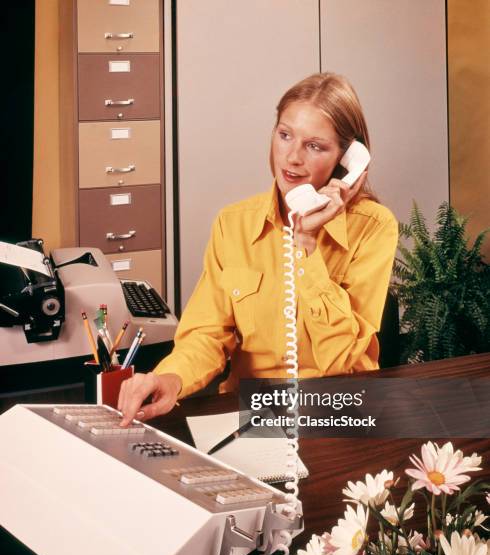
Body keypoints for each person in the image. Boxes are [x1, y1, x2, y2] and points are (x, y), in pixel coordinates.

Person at [118, 72, 398, 426]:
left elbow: (340, 356)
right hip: (252, 414)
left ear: (347, 160)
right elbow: (206, 334)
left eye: (315, 146)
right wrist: (169, 378)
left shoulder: (373, 227)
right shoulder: (233, 224)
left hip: (339, 412)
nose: (292, 157)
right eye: (285, 135)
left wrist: (307, 245)